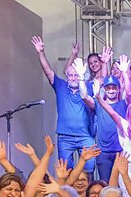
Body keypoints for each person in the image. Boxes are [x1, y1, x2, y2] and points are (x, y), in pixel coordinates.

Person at [31, 36, 94, 173]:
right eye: (70, 75)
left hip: (86, 136)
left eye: (76, 75)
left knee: (89, 171)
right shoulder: (61, 86)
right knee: (65, 172)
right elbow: (48, 71)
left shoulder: (88, 87)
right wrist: (41, 52)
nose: (73, 78)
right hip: (65, 138)